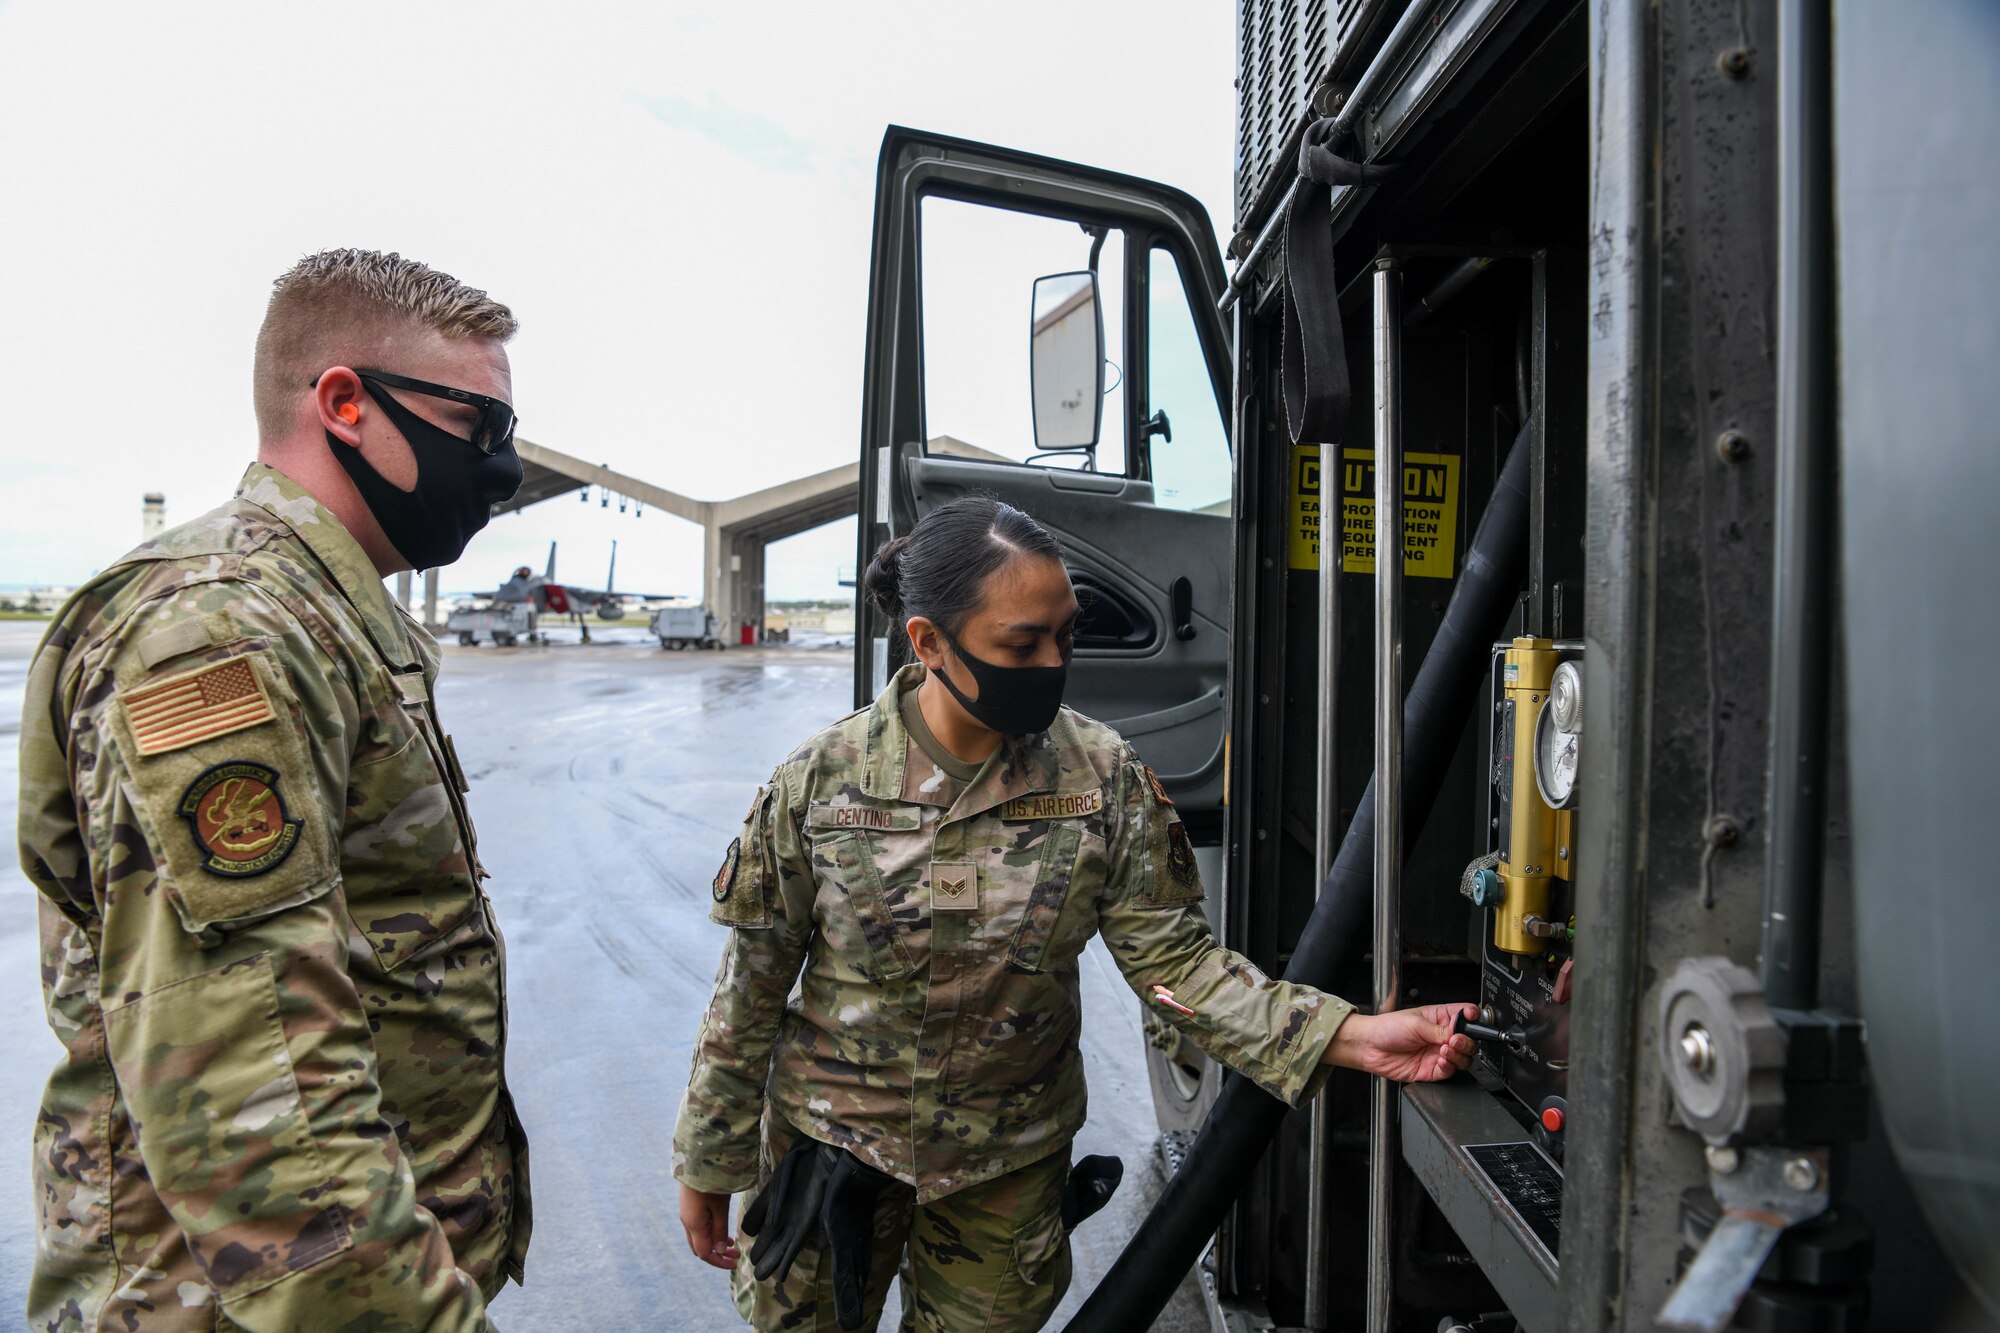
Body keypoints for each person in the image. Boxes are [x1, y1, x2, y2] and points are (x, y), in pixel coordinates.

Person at [673, 496, 1477, 1332]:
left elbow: (1179, 971)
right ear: (929, 642)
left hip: (1005, 1174)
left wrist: (1351, 1035)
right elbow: (750, 992)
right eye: (1023, 642)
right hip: (831, 1154)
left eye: (1066, 633)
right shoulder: (819, 783)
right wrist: (711, 1158)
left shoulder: (1101, 776)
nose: (1055, 660)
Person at [17, 249, 531, 1331]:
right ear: (344, 401)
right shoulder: (221, 629)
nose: (502, 468)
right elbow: (253, 1098)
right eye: (479, 428)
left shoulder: (330, 614)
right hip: (244, 1300)